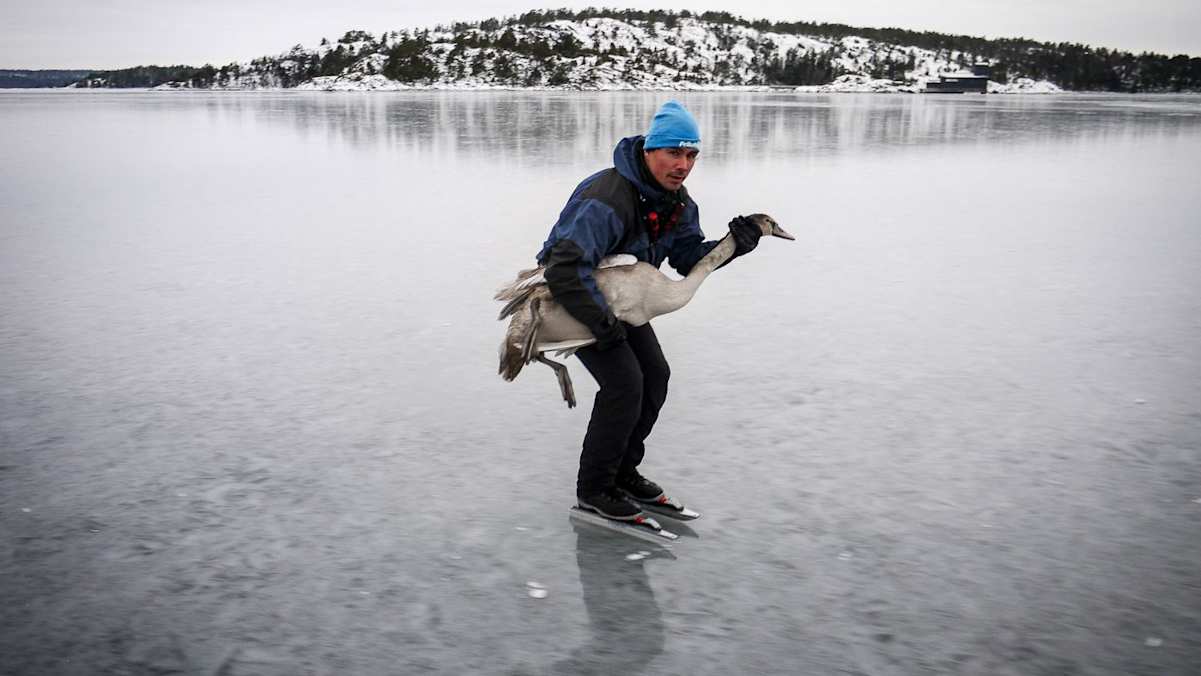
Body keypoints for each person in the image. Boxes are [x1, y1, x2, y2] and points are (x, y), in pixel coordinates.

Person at [535, 100, 765, 521]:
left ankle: (623, 472)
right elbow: (564, 268)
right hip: (577, 297)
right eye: (673, 153)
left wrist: (733, 245)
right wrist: (601, 324)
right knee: (624, 383)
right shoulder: (606, 198)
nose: (683, 164)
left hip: (624, 300)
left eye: (691, 154)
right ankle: (595, 489)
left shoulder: (675, 201)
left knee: (654, 375)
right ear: (649, 151)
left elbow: (685, 256)